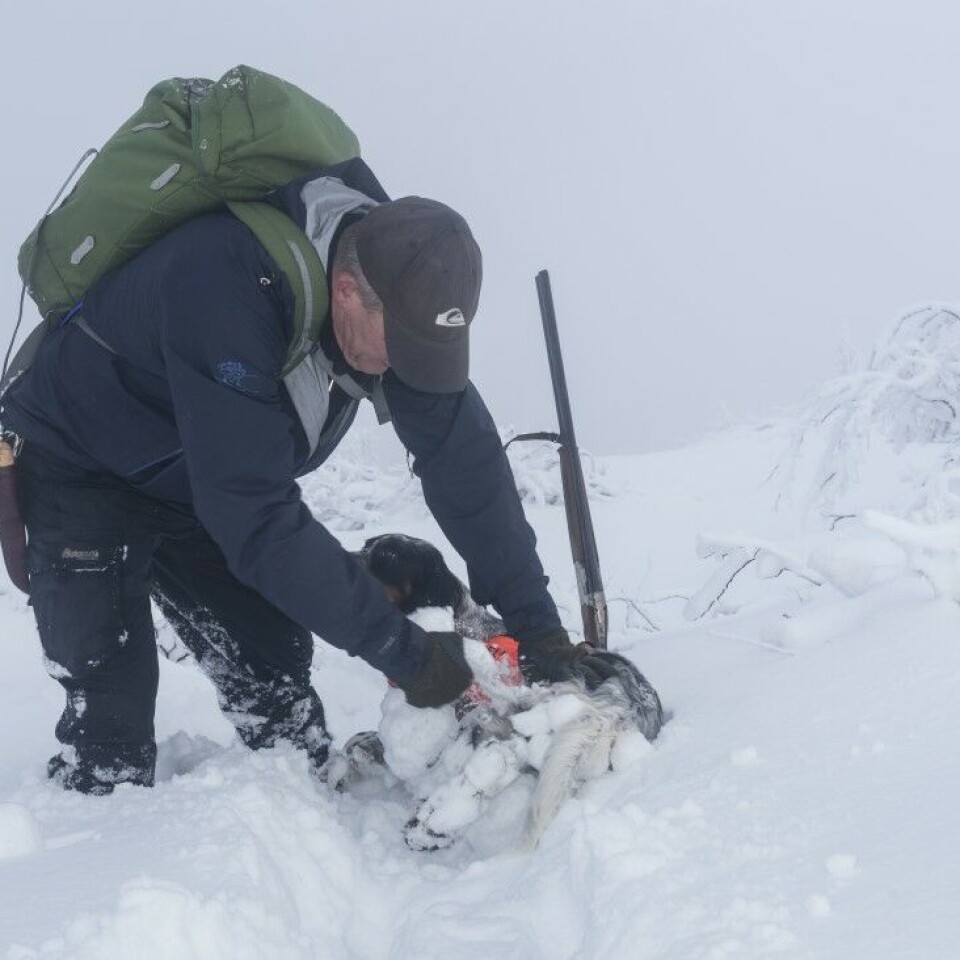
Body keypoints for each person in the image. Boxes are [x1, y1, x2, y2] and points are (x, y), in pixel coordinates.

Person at [0, 156, 611, 795]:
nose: (404, 368)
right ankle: (101, 837)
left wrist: (536, 625)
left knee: (273, 662)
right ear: (345, 291)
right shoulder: (226, 283)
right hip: (81, 469)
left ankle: (295, 811)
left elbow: (469, 469)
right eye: (401, 349)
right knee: (111, 718)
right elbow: (255, 516)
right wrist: (409, 656)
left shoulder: (402, 302)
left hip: (196, 482)